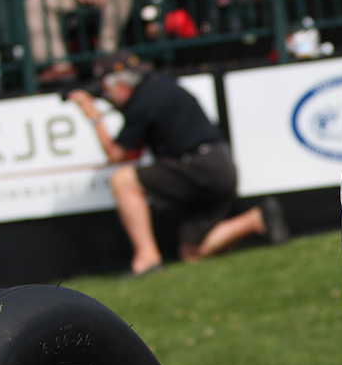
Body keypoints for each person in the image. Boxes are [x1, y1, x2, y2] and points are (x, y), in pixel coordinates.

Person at [67, 51, 269, 276]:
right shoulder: (160, 84)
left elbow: (118, 155)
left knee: (122, 181)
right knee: (192, 253)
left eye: (107, 90)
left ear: (121, 84)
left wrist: (94, 116)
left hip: (199, 168)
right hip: (218, 165)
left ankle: (147, 259)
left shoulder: (143, 102)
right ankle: (255, 220)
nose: (108, 96)